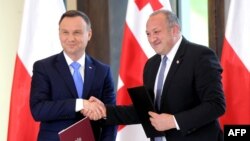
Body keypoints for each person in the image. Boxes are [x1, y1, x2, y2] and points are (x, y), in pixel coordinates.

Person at [87, 9, 226, 141]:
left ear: (175, 30)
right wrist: (105, 111)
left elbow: (216, 105)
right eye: (148, 34)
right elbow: (146, 111)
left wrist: (174, 121)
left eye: (156, 32)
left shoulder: (200, 56)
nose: (152, 39)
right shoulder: (151, 65)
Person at [30, 10, 117, 141]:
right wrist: (80, 104)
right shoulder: (43, 68)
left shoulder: (102, 71)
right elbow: (38, 110)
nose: (71, 38)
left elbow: (110, 116)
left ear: (89, 34)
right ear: (59, 34)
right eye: (65, 32)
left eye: (77, 32)